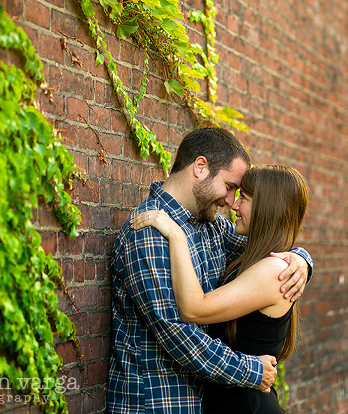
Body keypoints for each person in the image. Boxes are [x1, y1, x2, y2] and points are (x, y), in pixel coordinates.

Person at [108, 127, 313, 414]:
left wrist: (300, 260)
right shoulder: (148, 232)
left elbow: (266, 245)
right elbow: (178, 335)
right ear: (200, 167)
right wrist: (252, 371)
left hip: (202, 403)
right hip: (157, 403)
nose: (231, 202)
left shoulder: (212, 228)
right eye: (229, 187)